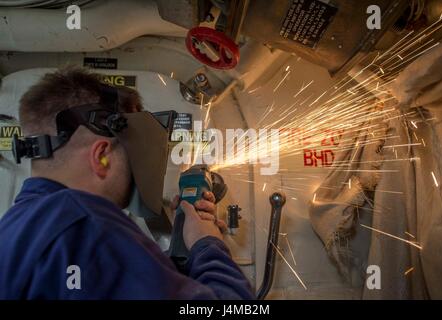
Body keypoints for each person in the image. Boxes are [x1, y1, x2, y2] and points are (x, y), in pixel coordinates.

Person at [0, 68, 254, 300]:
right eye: (131, 156)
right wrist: (208, 245)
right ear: (101, 156)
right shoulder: (85, 224)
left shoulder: (19, 226)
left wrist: (181, 255)